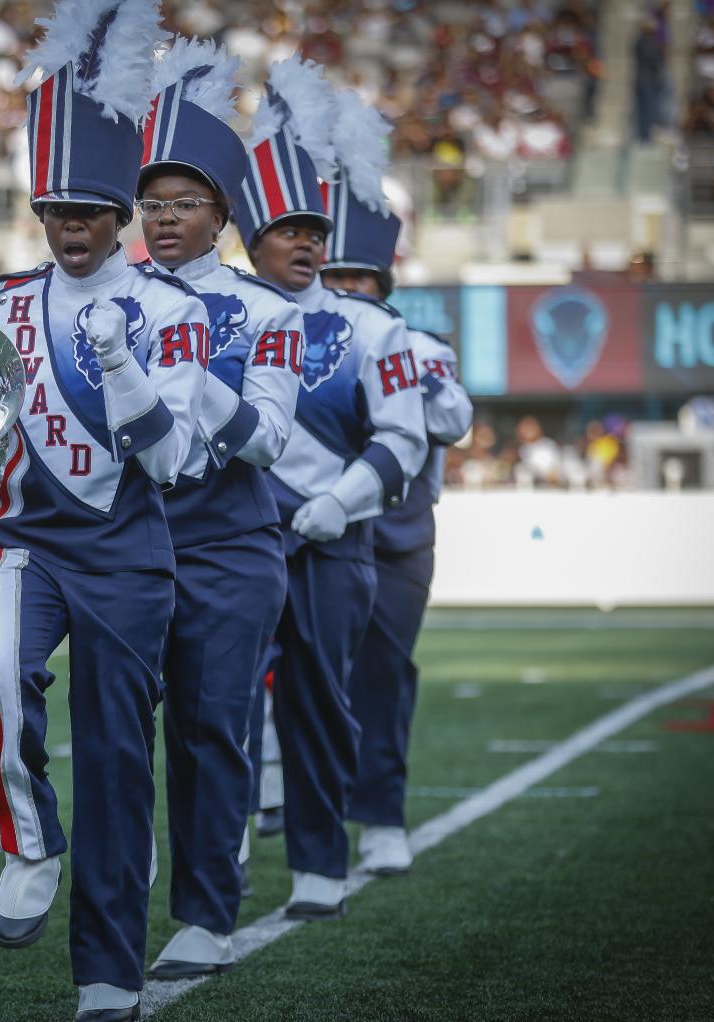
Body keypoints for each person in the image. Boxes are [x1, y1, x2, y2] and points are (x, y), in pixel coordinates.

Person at [0, 2, 204, 1018]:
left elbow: (173, 458)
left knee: (112, 749)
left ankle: (105, 971)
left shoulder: (173, 307)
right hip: (22, 537)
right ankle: (27, 837)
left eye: (90, 212)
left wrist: (119, 366)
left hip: (129, 546)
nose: (71, 229)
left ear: (122, 215)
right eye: (55, 211)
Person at [240, 62, 427, 918]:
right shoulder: (211, 314)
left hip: (328, 546)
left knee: (318, 709)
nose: (309, 241)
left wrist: (340, 501)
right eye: (289, 227)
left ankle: (320, 863)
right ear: (252, 236)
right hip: (230, 543)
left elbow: (404, 438)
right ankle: (220, 862)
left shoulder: (374, 329)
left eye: (317, 227)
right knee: (218, 707)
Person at [133, 38, 302, 979]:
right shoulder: (99, 301)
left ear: (223, 215)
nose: (162, 219)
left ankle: (204, 909)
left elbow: (271, 442)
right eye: (151, 204)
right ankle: (123, 890)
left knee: (209, 726)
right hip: (120, 544)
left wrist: (198, 377)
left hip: (228, 542)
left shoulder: (269, 313)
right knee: (118, 731)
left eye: (184, 203)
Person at [321, 168, 473, 877]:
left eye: (361, 280)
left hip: (397, 537)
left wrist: (394, 368)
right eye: (337, 277)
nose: (349, 291)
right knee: (302, 675)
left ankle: (381, 815)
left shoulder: (422, 346)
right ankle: (294, 810)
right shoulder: (298, 341)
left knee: (383, 673)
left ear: (383, 285)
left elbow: (456, 420)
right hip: (316, 530)